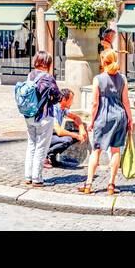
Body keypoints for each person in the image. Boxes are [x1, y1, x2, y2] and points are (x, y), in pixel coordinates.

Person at [81, 49, 132, 196]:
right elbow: (126, 102)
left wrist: (91, 121)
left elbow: (95, 103)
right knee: (115, 150)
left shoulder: (98, 79)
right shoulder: (123, 79)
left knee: (96, 150)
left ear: (103, 62)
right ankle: (111, 184)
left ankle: (89, 184)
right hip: (120, 117)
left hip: (102, 118)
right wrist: (130, 119)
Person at [23, 51, 63, 187]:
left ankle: (28, 176)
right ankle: (37, 178)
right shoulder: (48, 77)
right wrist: (52, 99)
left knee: (31, 145)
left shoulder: (30, 75)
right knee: (41, 147)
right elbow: (58, 96)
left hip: (29, 115)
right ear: (47, 63)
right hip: (44, 116)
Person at [45, 89, 87, 168]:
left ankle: (52, 156)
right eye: (71, 100)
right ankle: (45, 155)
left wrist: (82, 128)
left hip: (54, 136)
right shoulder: (54, 109)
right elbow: (59, 131)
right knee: (68, 139)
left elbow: (76, 117)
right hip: (47, 137)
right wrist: (76, 135)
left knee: (75, 137)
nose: (72, 102)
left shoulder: (63, 109)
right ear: (64, 99)